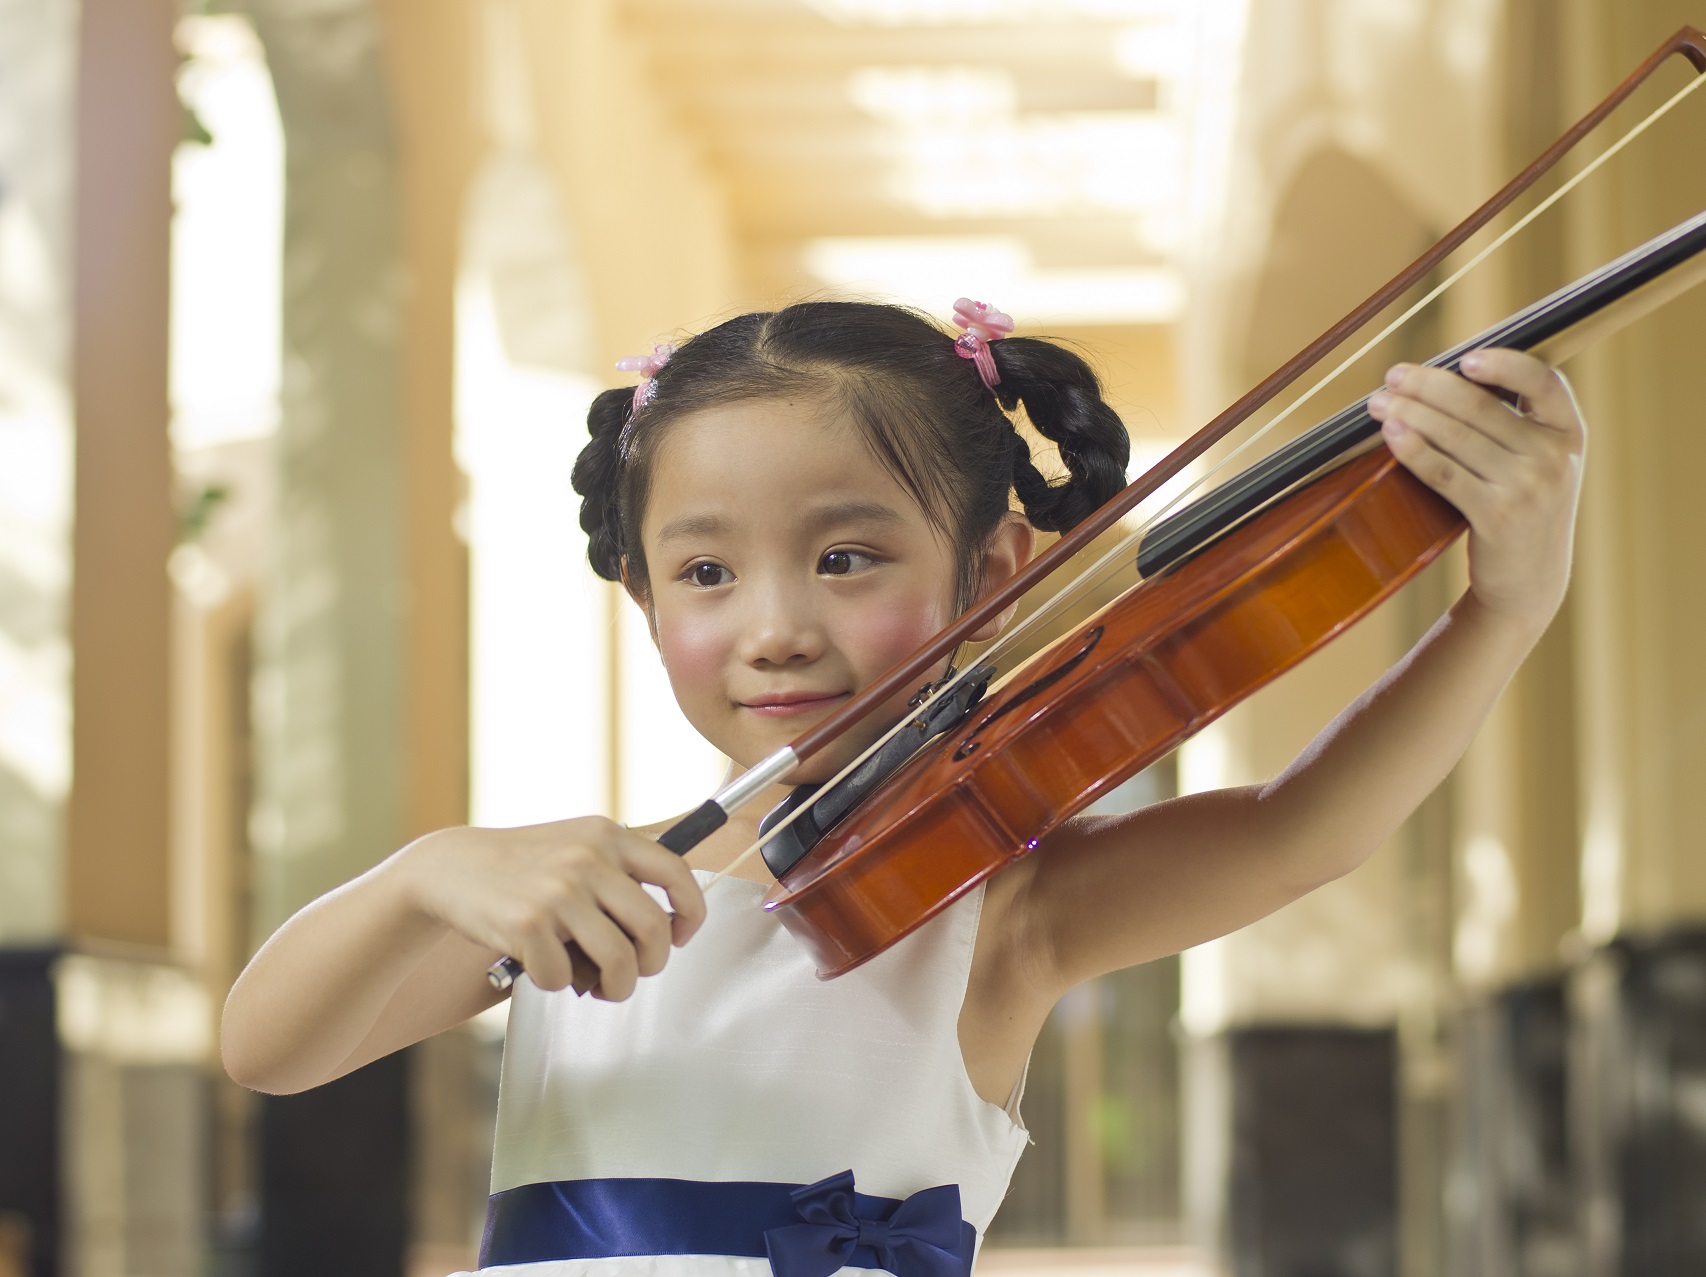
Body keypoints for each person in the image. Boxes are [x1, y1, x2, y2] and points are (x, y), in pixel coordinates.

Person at [221, 298, 1584, 1276]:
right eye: (705, 571)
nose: (774, 625)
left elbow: (1298, 833)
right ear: (639, 597)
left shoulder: (1010, 902)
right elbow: (269, 1047)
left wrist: (1499, 615)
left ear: (990, 574)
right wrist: (419, 874)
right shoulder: (580, 898)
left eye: (845, 556)